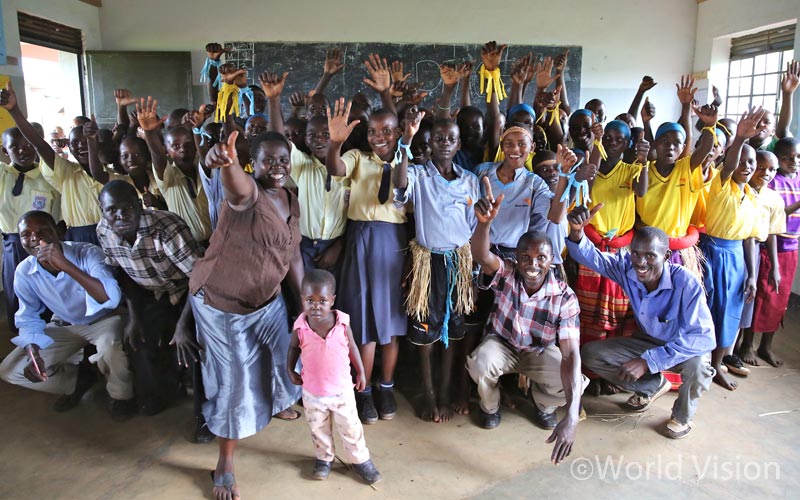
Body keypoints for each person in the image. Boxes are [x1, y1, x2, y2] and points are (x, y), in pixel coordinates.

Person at [191, 130, 304, 500]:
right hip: (223, 304)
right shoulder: (248, 194)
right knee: (236, 383)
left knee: (282, 356)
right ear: (253, 163)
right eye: (268, 160)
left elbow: (292, 255)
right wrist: (227, 164)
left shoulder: (291, 196)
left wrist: (304, 307)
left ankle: (276, 403)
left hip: (266, 301)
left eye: (283, 160)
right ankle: (224, 464)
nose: (277, 167)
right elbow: (236, 186)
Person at [566, 206, 716, 439]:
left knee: (699, 368)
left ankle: (682, 417)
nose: (640, 262)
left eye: (650, 256)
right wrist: (577, 232)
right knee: (591, 354)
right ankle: (652, 387)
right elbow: (592, 257)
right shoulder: (628, 268)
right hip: (648, 341)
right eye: (635, 253)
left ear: (665, 256)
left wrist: (648, 361)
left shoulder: (685, 282)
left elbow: (703, 337)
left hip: (684, 347)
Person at [466, 178, 585, 466]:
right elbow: (481, 255)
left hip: (538, 352)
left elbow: (570, 354)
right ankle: (490, 406)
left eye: (540, 257)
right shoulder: (507, 273)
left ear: (551, 260)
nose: (533, 264)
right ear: (516, 259)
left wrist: (571, 415)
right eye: (525, 257)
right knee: (481, 362)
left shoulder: (564, 297)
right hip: (503, 345)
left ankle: (543, 403)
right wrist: (483, 224)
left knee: (574, 382)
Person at [0, 211, 136, 420]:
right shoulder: (23, 271)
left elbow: (109, 297)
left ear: (60, 231)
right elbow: (28, 317)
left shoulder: (88, 253)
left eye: (42, 231)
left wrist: (65, 265)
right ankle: (78, 381)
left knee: (110, 347)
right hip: (65, 324)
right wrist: (33, 349)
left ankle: (121, 396)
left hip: (103, 319)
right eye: (26, 234)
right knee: (11, 370)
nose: (34, 238)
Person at [96, 181, 205, 431]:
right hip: (150, 293)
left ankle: (205, 413)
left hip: (189, 293)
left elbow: (198, 280)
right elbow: (123, 273)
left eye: (128, 208)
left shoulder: (166, 228)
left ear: (139, 205)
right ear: (102, 210)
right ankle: (164, 393)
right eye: (112, 210)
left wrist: (183, 325)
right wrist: (134, 317)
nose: (121, 215)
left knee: (196, 344)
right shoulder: (104, 231)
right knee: (139, 340)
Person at [325, 98, 408, 424]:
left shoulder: (408, 163)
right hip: (361, 242)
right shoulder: (358, 158)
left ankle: (386, 385)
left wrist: (406, 147)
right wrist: (335, 142)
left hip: (393, 246)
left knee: (390, 324)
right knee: (363, 323)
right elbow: (336, 168)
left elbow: (401, 186)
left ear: (398, 132)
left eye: (387, 131)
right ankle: (363, 391)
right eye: (373, 131)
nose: (379, 136)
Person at [392, 116, 479, 423]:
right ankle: (429, 395)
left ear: (458, 144)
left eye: (451, 139)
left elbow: (472, 222)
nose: (444, 144)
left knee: (453, 331)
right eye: (438, 139)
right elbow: (399, 188)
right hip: (427, 261)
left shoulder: (469, 180)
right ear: (428, 143)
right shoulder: (418, 174)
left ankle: (445, 393)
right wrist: (405, 142)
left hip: (458, 261)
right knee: (425, 333)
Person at [287, 269, 382, 484]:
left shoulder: (341, 323)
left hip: (342, 391)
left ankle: (360, 460)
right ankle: (324, 458)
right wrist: (289, 370)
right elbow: (293, 349)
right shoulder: (301, 326)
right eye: (309, 300)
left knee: (350, 426)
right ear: (302, 299)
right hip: (312, 392)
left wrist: (361, 372)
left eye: (322, 300)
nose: (316, 306)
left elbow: (353, 348)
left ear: (332, 300)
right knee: (318, 428)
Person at [698, 108, 763, 391]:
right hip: (713, 252)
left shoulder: (752, 196)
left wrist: (750, 275)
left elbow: (749, 238)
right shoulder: (721, 184)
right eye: (742, 162)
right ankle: (701, 365)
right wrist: (739, 139)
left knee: (730, 314)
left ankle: (717, 365)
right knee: (709, 311)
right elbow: (728, 166)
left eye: (752, 163)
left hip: (737, 257)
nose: (747, 167)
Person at [261, 71, 348, 279]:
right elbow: (278, 140)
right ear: (306, 141)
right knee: (307, 297)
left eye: (326, 134)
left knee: (336, 297)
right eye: (312, 136)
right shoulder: (302, 165)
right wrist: (274, 100)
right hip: (305, 245)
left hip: (338, 244)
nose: (319, 140)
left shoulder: (349, 165)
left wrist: (340, 245)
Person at [0, 82, 103, 244]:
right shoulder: (65, 171)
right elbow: (39, 144)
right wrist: (14, 111)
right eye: (76, 143)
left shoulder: (111, 175)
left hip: (106, 236)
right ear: (69, 146)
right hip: (73, 239)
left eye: (88, 141)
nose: (82, 146)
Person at [0, 128, 60, 331]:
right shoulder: (2, 174)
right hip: (12, 245)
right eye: (14, 147)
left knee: (48, 295)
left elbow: (58, 215)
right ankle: (25, 346)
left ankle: (55, 346)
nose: (23, 151)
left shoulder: (47, 177)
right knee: (16, 297)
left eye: (28, 145)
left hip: (42, 246)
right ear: (5, 151)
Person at [749, 137, 800, 367]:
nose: (794, 161)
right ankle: (746, 344)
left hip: (791, 246)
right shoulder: (772, 181)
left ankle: (766, 346)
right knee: (759, 298)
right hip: (769, 247)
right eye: (788, 157)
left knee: (780, 300)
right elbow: (776, 215)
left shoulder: (798, 180)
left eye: (797, 157)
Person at [137, 97, 212, 244]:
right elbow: (157, 156)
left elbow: (204, 157)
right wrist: (150, 132)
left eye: (188, 144)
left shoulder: (202, 169)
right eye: (176, 146)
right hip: (185, 247)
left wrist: (197, 128)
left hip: (213, 242)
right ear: (167, 151)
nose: (183, 149)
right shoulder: (168, 177)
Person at [736, 150, 785, 367]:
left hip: (755, 248)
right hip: (734, 244)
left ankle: (736, 348)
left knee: (746, 299)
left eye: (772, 169)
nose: (766, 173)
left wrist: (775, 266)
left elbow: (773, 232)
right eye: (761, 167)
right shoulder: (739, 190)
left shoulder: (773, 198)